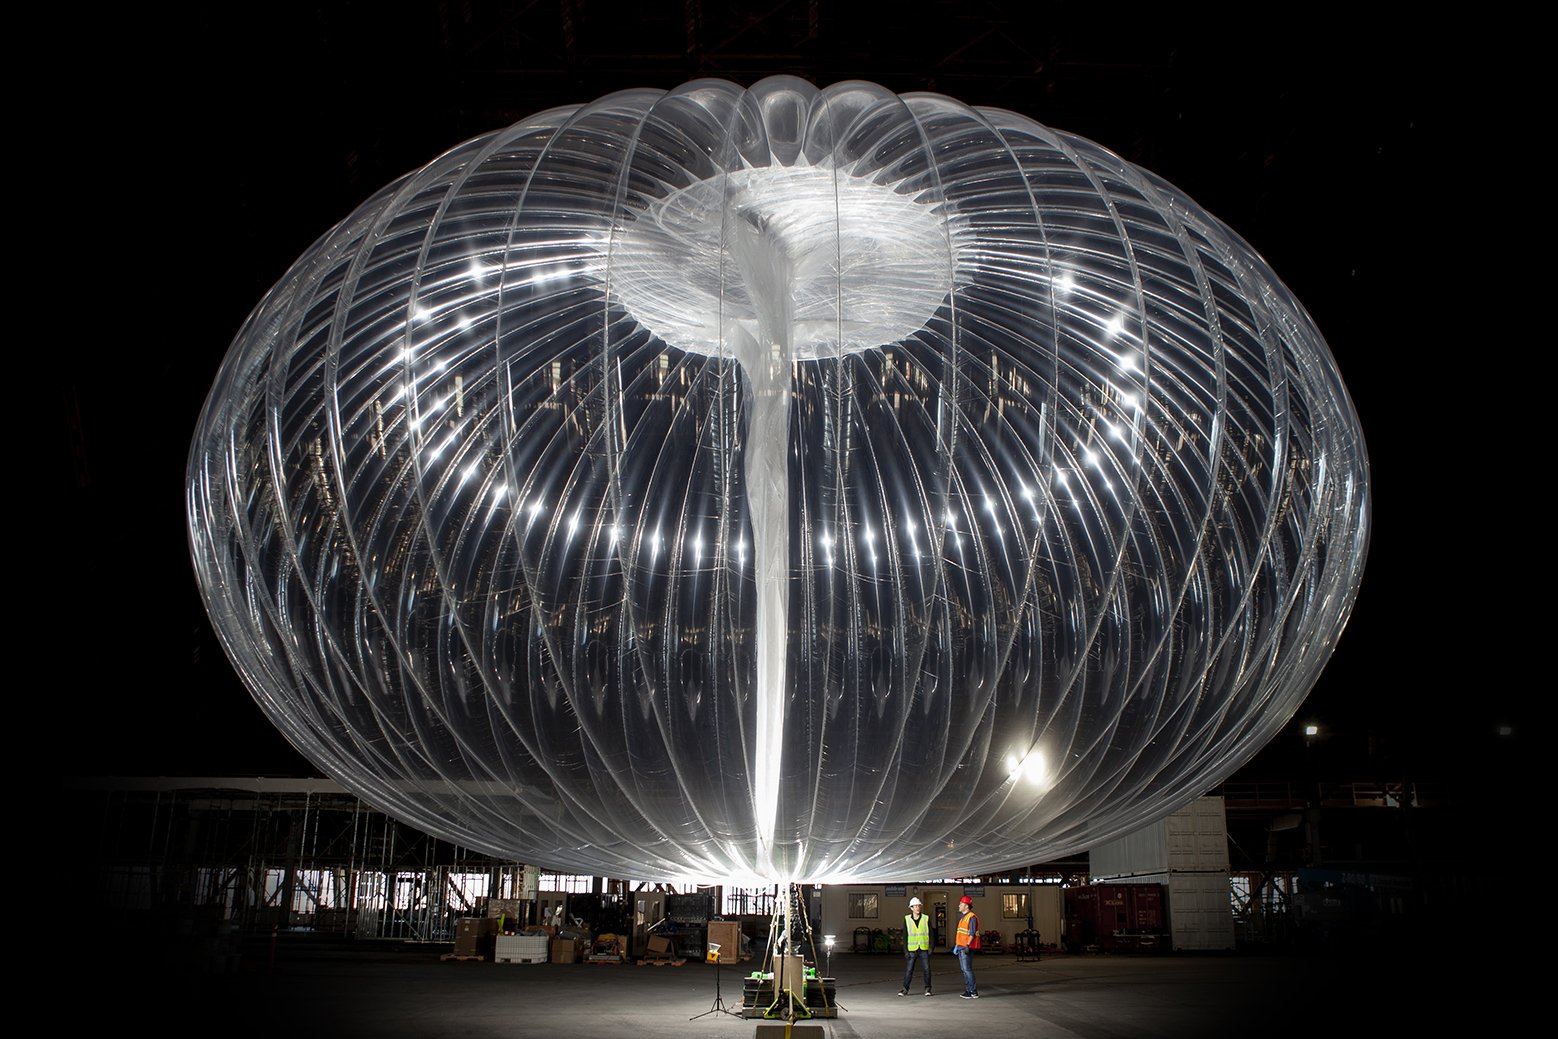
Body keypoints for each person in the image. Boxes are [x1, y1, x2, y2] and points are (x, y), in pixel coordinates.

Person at [898, 896, 932, 996]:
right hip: (912, 949)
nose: (917, 908)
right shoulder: (907, 919)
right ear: (911, 908)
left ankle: (928, 989)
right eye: (915, 906)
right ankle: (905, 989)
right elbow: (905, 936)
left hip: (923, 948)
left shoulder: (926, 918)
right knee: (909, 970)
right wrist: (905, 951)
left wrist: (931, 947)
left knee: (927, 970)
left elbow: (931, 934)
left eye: (918, 906)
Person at [954, 895, 979, 998]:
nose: (959, 905)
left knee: (967, 969)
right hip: (961, 947)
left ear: (966, 905)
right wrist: (957, 946)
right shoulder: (963, 918)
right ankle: (968, 991)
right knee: (964, 970)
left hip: (965, 948)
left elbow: (972, 933)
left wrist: (968, 945)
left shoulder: (971, 917)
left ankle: (973, 991)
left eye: (961, 903)